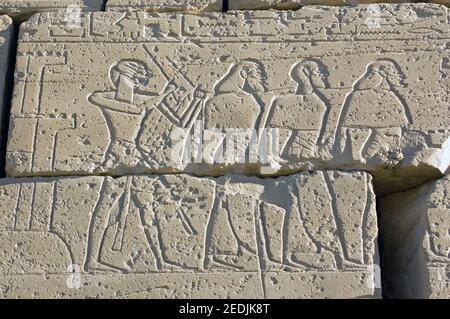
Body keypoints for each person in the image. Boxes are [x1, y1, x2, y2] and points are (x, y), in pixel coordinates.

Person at [335, 59, 412, 162]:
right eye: (392, 70)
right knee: (361, 130)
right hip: (369, 104)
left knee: (391, 130)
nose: (397, 73)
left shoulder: (387, 93)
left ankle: (382, 152)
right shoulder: (366, 88)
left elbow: (396, 82)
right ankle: (360, 154)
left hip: (383, 103)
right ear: (382, 72)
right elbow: (363, 85)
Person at [202, 59, 268, 164]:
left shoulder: (252, 102)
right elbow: (208, 150)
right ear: (244, 74)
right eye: (257, 75)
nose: (263, 79)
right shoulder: (218, 102)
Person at [265, 59, 331, 161]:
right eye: (318, 71)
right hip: (292, 156)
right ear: (306, 72)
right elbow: (272, 143)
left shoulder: (320, 104)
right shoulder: (284, 102)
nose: (324, 74)